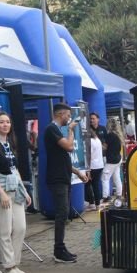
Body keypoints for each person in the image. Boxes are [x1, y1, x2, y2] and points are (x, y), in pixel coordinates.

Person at [0, 112, 31, 273]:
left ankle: (15, 262)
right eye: (2, 122)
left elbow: (14, 169)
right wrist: (2, 194)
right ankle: (8, 266)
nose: (5, 125)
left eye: (7, 122)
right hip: (1, 189)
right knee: (5, 229)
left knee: (20, 227)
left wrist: (24, 190)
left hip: (15, 188)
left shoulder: (9, 143)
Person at [44, 103, 88, 263]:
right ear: (60, 114)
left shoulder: (55, 130)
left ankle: (61, 248)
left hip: (63, 177)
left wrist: (78, 173)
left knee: (64, 213)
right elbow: (69, 147)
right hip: (57, 179)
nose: (69, 118)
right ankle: (59, 250)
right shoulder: (51, 129)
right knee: (62, 213)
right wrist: (70, 130)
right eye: (68, 115)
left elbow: (64, 158)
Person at [101, 118, 124, 204]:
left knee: (104, 177)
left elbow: (105, 147)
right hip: (118, 158)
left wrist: (99, 143)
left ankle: (105, 196)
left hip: (111, 160)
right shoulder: (118, 135)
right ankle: (119, 194)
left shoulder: (110, 135)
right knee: (116, 177)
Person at [86, 128, 104, 210]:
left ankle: (92, 203)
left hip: (92, 166)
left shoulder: (89, 142)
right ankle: (97, 204)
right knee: (96, 185)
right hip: (99, 165)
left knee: (87, 184)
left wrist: (88, 170)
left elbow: (89, 155)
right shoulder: (97, 140)